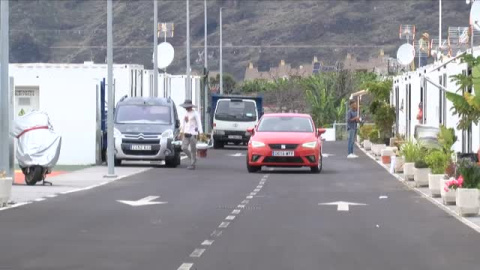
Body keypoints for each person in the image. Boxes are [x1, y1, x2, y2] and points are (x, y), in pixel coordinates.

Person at [180, 99, 203, 170]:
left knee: (193, 150)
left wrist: (201, 133)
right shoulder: (185, 114)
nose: (186, 108)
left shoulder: (195, 113)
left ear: (190, 106)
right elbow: (183, 123)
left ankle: (192, 164)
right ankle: (193, 159)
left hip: (193, 134)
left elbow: (199, 123)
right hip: (186, 133)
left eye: (187, 107)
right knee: (184, 148)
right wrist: (181, 132)